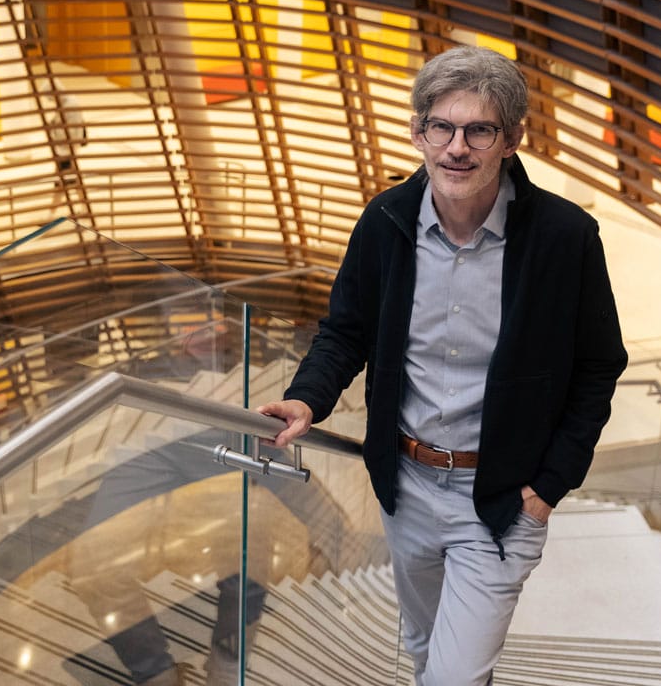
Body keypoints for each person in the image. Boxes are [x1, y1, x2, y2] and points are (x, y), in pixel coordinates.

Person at [256, 46, 628, 685]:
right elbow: (346, 332)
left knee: (454, 678)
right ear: (418, 132)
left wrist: (547, 489)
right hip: (407, 488)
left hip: (503, 501)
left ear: (511, 139)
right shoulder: (384, 222)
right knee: (427, 649)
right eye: (442, 127)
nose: (457, 147)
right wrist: (306, 398)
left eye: (479, 130)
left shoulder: (565, 238)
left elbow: (599, 366)